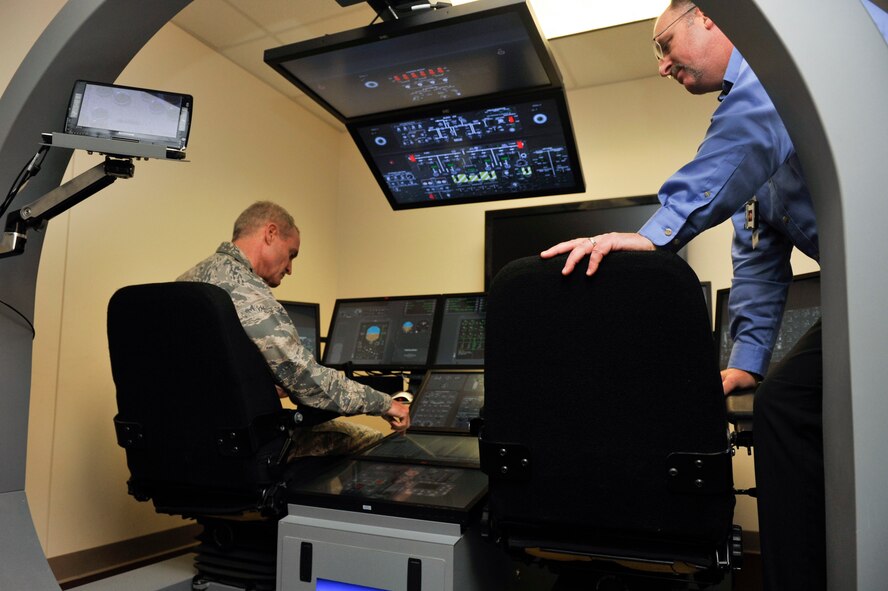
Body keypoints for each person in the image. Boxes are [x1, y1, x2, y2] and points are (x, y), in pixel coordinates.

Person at [540, 2, 888, 590]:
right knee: (786, 408)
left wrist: (654, 235)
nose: (662, 65)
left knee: (797, 412)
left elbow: (750, 130)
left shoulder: (783, 62)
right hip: (875, 288)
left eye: (664, 44)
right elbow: (757, 252)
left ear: (709, 16)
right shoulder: (769, 121)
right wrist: (745, 364)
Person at [178, 201, 410, 458]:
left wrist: (260, 385)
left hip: (180, 448)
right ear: (271, 233)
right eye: (291, 254)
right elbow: (308, 382)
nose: (290, 268)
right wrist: (387, 404)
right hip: (243, 452)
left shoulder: (187, 281)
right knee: (375, 442)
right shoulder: (248, 292)